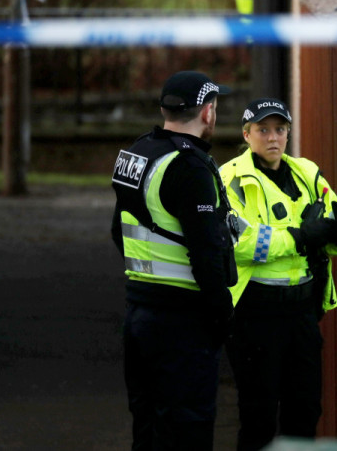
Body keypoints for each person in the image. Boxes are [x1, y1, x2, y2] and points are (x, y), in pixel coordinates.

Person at [219, 97, 337, 451]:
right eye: (263, 130)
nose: (272, 138)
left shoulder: (307, 172)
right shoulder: (230, 178)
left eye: (279, 129)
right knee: (258, 416)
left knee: (306, 410)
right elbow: (242, 244)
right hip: (255, 313)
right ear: (246, 134)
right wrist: (303, 236)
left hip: (302, 312)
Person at [111, 71, 238, 450]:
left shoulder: (140, 151)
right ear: (208, 112)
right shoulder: (190, 166)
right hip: (183, 324)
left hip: (139, 314)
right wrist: (223, 315)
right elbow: (206, 253)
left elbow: (119, 232)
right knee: (187, 430)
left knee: (148, 426)